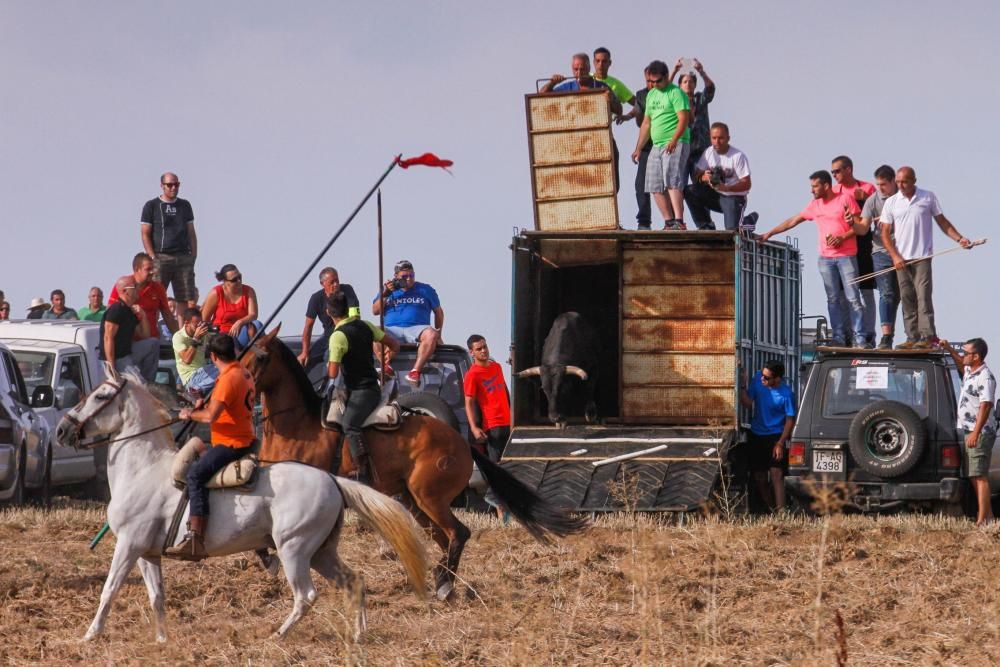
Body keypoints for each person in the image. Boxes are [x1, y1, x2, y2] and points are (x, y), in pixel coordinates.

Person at [165, 334, 256, 560]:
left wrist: (189, 413)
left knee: (195, 475)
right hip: (244, 437)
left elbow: (210, 416)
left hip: (231, 443)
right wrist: (200, 402)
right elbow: (225, 404)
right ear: (233, 351)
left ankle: (196, 538)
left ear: (213, 356)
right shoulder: (243, 372)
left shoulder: (227, 379)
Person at [761, 171, 866, 347]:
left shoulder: (844, 199)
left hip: (846, 256)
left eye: (815, 186)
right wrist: (770, 232)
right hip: (825, 258)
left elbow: (860, 227)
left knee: (853, 298)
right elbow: (794, 220)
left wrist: (842, 237)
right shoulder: (815, 205)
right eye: (811, 187)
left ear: (826, 185)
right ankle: (839, 338)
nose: (812, 190)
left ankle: (860, 338)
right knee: (833, 299)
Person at [880, 167, 972, 349]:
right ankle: (912, 337)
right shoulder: (891, 202)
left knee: (923, 297)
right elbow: (884, 233)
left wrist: (960, 239)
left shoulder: (928, 197)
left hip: (922, 256)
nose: (900, 185)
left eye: (904, 181)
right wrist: (895, 256)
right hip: (901, 259)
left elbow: (942, 222)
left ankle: (927, 335)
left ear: (914, 180)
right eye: (898, 182)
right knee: (907, 298)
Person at [327, 290, 399, 485]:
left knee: (349, 425)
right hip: (367, 386)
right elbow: (394, 344)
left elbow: (332, 373)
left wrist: (331, 362)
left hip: (362, 391)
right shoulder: (366, 325)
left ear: (328, 312)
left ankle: (362, 471)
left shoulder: (338, 336)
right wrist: (385, 361)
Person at [940, 338, 996, 526]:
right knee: (974, 474)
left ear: (977, 356)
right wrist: (948, 349)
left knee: (979, 476)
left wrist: (975, 432)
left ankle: (982, 520)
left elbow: (986, 405)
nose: (963, 356)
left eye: (966, 353)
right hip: (968, 430)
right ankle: (988, 516)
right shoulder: (971, 372)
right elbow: (961, 364)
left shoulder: (985, 377)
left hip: (979, 431)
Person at [630, 60, 691, 230]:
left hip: (676, 142)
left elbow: (684, 119)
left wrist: (673, 140)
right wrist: (638, 148)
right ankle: (669, 221)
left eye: (658, 81)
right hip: (656, 145)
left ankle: (679, 221)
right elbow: (646, 124)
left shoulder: (676, 93)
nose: (655, 85)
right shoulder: (651, 95)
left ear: (666, 77)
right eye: (652, 81)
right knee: (653, 184)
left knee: (672, 180)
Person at [372, 260, 443, 385]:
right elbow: (375, 311)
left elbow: (439, 312)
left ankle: (415, 371)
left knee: (431, 334)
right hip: (392, 330)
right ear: (396, 276)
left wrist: (439, 333)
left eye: (412, 275)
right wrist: (386, 294)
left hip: (418, 328)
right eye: (405, 276)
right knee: (373, 331)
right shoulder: (387, 290)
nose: (409, 279)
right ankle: (385, 366)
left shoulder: (426, 289)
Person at [463, 334, 511, 518]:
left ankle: (511, 509)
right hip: (493, 427)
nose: (483, 351)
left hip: (508, 425)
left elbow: (505, 394)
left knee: (511, 468)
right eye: (479, 349)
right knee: (497, 470)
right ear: (472, 352)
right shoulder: (472, 374)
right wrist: (474, 427)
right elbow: (468, 403)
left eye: (484, 346)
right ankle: (500, 512)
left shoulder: (497, 367)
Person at [832, 156, 877, 346]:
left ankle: (868, 334)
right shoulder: (834, 192)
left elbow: (879, 212)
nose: (835, 175)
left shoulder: (867, 188)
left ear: (849, 169)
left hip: (864, 244)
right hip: (843, 246)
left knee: (865, 290)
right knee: (843, 293)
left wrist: (864, 199)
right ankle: (847, 335)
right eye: (833, 172)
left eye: (838, 171)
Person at [739, 361, 796, 512]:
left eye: (767, 377)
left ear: (777, 379)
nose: (762, 379)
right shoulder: (758, 380)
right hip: (757, 435)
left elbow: (790, 420)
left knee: (777, 474)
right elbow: (747, 403)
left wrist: (780, 443)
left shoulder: (787, 394)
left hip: (775, 436)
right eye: (762, 375)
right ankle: (772, 509)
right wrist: (743, 385)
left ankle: (782, 512)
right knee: (760, 478)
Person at [108, 252, 174, 381]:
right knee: (134, 383)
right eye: (148, 269)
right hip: (127, 345)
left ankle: (149, 389)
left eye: (153, 268)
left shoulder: (157, 288)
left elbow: (168, 315)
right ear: (137, 269)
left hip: (149, 342)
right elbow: (111, 315)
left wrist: (179, 338)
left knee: (148, 382)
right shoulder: (124, 285)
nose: (152, 272)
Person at [141, 172, 198, 309]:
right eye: (170, 185)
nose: (173, 188)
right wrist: (152, 257)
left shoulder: (185, 205)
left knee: (184, 299)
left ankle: (181, 329)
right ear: (162, 186)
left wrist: (193, 255)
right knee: (155, 298)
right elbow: (145, 233)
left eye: (176, 184)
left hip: (183, 256)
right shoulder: (152, 206)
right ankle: (154, 328)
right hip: (161, 256)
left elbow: (191, 231)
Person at [859, 165, 901, 349]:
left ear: (894, 182)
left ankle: (912, 335)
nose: (880, 188)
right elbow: (863, 228)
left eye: (884, 184)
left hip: (904, 252)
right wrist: (851, 222)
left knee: (904, 295)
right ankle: (886, 337)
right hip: (881, 252)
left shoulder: (904, 198)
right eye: (878, 185)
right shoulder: (872, 201)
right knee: (887, 293)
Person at [683, 122, 751, 231]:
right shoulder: (709, 152)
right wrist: (703, 177)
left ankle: (749, 221)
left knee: (733, 231)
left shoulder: (738, 156)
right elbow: (697, 175)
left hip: (734, 197)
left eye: (721, 138)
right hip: (715, 195)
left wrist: (727, 188)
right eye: (714, 138)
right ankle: (705, 224)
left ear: (728, 138)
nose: (717, 142)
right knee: (689, 190)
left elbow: (747, 184)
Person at [297, 267, 360, 374]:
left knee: (329, 356)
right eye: (332, 282)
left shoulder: (348, 291)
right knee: (305, 362)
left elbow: (356, 318)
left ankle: (330, 388)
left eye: (337, 281)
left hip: (346, 334)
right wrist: (304, 351)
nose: (336, 284)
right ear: (322, 284)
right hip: (327, 336)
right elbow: (308, 326)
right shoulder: (316, 299)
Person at [619, 67, 655, 230]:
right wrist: (628, 116)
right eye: (648, 81)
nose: (651, 84)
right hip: (647, 146)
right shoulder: (642, 94)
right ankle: (644, 221)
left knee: (667, 186)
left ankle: (674, 221)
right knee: (640, 184)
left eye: (654, 81)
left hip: (664, 145)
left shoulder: (668, 94)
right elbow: (639, 108)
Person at [671, 58, 715, 183]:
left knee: (702, 185)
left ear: (695, 85)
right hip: (681, 150)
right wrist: (674, 71)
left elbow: (711, 89)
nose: (688, 84)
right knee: (679, 186)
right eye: (684, 82)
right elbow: (664, 92)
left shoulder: (700, 98)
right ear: (679, 86)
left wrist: (701, 72)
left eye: (691, 82)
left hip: (700, 151)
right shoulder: (675, 102)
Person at [99, 276, 153, 376]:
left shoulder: (129, 311)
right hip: (117, 359)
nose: (138, 288)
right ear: (125, 291)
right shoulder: (116, 309)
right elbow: (108, 338)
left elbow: (145, 335)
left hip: (127, 354)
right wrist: (111, 367)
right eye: (135, 286)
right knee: (140, 388)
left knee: (153, 343)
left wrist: (143, 315)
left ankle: (148, 379)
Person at [201, 264, 264, 350]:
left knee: (257, 325)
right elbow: (205, 319)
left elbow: (253, 314)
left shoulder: (249, 291)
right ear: (225, 281)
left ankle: (260, 355)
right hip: (223, 336)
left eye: (240, 277)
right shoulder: (216, 293)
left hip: (242, 332)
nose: (238, 281)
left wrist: (240, 322)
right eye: (234, 280)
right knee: (229, 344)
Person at [173, 308, 219, 396]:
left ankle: (198, 390)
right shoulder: (178, 337)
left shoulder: (204, 334)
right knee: (223, 370)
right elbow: (187, 360)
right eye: (196, 325)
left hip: (203, 373)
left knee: (228, 369)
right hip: (191, 377)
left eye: (200, 324)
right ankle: (194, 390)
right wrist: (196, 339)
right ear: (186, 323)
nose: (199, 328)